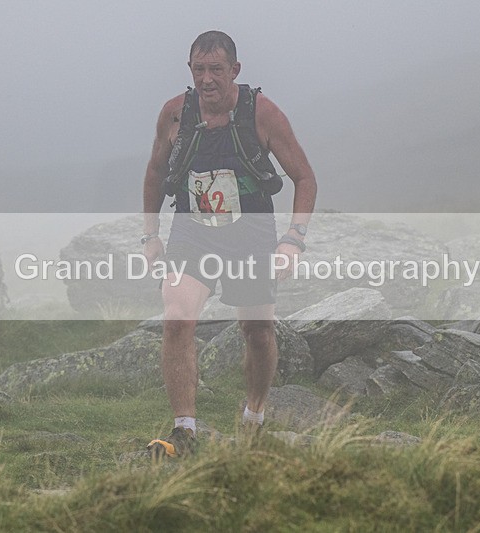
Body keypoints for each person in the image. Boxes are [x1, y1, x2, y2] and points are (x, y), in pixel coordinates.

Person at [141, 30, 317, 457]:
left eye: (216, 69)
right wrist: (150, 235)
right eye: (199, 69)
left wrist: (294, 239)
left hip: (251, 232)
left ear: (235, 71)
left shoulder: (262, 113)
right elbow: (154, 174)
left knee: (256, 331)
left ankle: (254, 415)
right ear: (190, 70)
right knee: (177, 315)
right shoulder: (174, 115)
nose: (207, 79)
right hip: (192, 230)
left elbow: (305, 178)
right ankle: (184, 430)